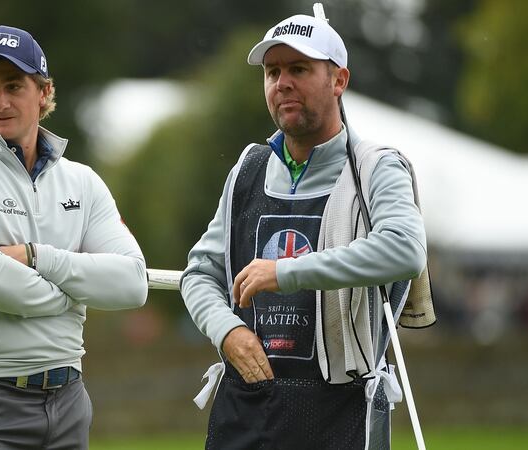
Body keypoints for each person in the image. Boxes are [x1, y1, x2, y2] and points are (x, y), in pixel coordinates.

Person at [181, 4, 433, 449]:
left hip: (340, 406)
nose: (283, 83)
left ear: (339, 81)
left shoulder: (377, 167)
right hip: (247, 402)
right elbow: (200, 275)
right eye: (272, 71)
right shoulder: (248, 169)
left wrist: (284, 272)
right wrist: (228, 331)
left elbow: (404, 250)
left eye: (299, 68)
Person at [0, 25, 147, 449]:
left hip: (68, 400)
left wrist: (37, 257)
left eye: (13, 86)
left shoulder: (83, 181)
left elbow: (132, 283)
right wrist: (73, 294)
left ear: (43, 92)